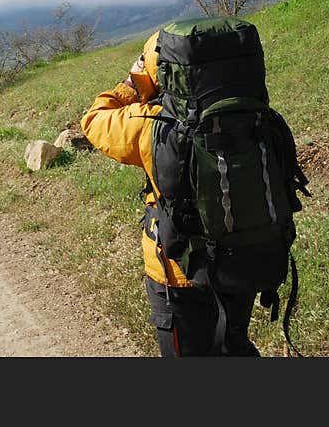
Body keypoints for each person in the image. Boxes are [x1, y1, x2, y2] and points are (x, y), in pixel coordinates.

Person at [80, 30, 261, 357]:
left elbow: (94, 120)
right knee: (233, 345)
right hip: (242, 259)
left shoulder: (152, 124)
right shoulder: (250, 114)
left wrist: (135, 83)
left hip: (178, 275)